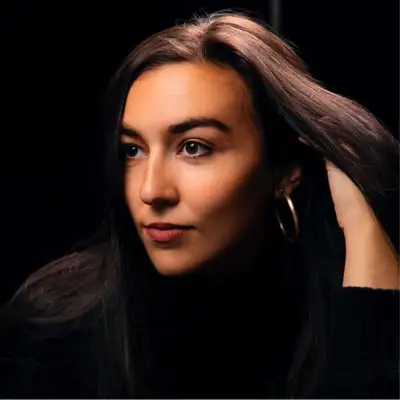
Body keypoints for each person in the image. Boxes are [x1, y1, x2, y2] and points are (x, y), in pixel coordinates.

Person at [0, 10, 399, 399]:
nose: (151, 191)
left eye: (194, 147)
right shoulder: (58, 327)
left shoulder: (338, 309)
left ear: (284, 170)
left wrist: (364, 233)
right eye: (133, 150)